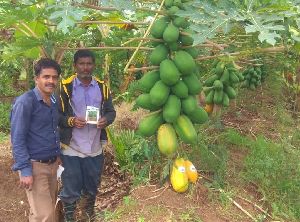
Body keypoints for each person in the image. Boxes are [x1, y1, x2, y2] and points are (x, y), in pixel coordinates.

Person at [57, 49, 116, 221]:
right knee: (71, 185)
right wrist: (71, 121)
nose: (85, 67)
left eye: (89, 63)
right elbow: (56, 116)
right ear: (75, 65)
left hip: (94, 147)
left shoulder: (102, 87)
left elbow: (111, 112)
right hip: (71, 147)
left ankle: (88, 213)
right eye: (81, 64)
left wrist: (106, 119)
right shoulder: (65, 87)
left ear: (94, 65)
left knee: (92, 184)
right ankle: (69, 217)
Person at [10, 58, 61, 222]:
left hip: (52, 165)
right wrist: (25, 170)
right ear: (36, 78)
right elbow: (17, 138)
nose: (50, 81)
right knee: (46, 215)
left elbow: (52, 130)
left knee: (42, 212)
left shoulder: (53, 100)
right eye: (46, 77)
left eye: (54, 77)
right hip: (35, 166)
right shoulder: (25, 102)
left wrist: (57, 157)